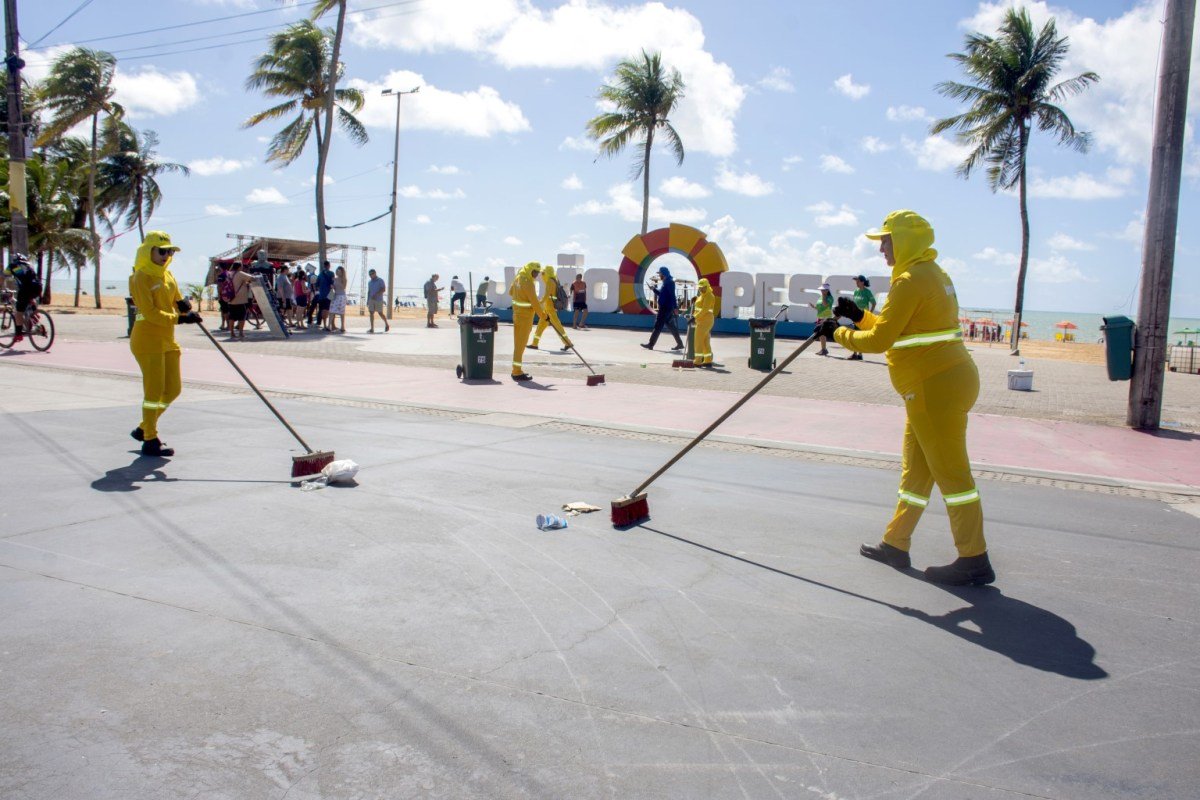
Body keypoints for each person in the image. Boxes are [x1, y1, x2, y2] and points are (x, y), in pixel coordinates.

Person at [823, 209, 993, 586]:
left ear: (904, 241)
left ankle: (974, 557)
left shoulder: (909, 280)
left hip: (934, 386)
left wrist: (838, 333)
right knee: (916, 471)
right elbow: (900, 328)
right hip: (942, 382)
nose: (881, 248)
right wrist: (859, 316)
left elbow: (881, 341)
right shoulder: (933, 274)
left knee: (953, 475)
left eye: (886, 240)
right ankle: (895, 543)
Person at [128, 231, 201, 457]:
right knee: (153, 392)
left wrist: (184, 306)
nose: (166, 256)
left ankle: (143, 427)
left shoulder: (168, 275)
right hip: (147, 340)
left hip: (167, 339)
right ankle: (150, 439)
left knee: (173, 389)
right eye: (162, 251)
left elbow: (178, 301)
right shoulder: (140, 278)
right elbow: (150, 313)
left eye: (170, 252)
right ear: (148, 251)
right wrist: (180, 319)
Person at [529, 264, 573, 352]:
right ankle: (534, 344)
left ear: (548, 272)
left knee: (558, 327)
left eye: (543, 272)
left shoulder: (550, 281)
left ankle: (568, 343)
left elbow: (546, 295)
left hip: (550, 309)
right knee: (540, 326)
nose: (542, 274)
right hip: (547, 309)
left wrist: (538, 302)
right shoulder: (554, 280)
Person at [508, 262, 540, 381]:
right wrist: (543, 316)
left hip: (517, 315)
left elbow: (510, 292)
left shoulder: (518, 278)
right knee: (520, 345)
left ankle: (516, 370)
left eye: (538, 272)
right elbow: (534, 302)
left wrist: (520, 296)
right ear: (530, 270)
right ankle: (516, 372)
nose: (536, 275)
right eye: (535, 272)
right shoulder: (528, 283)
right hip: (525, 317)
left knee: (518, 345)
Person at [640, 266, 684, 351]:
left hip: (665, 308)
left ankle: (651, 344)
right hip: (666, 308)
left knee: (658, 325)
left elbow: (672, 295)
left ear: (663, 273)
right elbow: (661, 294)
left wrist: (675, 308)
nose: (659, 275)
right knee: (671, 326)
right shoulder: (665, 282)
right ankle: (680, 344)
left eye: (659, 273)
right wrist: (653, 289)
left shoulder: (670, 282)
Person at [3, 254, 42, 343]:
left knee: (18, 312)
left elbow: (4, 275)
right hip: (38, 287)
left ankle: (18, 335)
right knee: (30, 298)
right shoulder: (29, 265)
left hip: (26, 288)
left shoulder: (13, 265)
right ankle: (35, 314)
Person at [847, 275, 877, 361]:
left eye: (858, 281)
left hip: (863, 317)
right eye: (856, 281)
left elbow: (874, 303)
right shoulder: (856, 291)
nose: (856, 283)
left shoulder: (867, 292)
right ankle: (857, 354)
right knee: (854, 335)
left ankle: (858, 354)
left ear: (862, 282)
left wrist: (870, 313)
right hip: (855, 316)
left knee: (859, 336)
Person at [691, 277, 716, 366]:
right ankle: (708, 360)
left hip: (705, 321)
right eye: (700, 287)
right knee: (705, 341)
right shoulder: (702, 295)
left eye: (703, 287)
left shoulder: (709, 296)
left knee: (698, 340)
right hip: (702, 320)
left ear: (707, 286)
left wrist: (694, 317)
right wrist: (696, 299)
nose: (701, 289)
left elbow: (704, 309)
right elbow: (700, 305)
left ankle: (698, 361)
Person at [226, 261, 254, 341]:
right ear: (239, 267)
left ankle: (232, 333)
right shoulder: (240, 273)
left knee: (232, 317)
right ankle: (241, 332)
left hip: (231, 299)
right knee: (242, 317)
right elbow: (252, 278)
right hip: (240, 299)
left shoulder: (229, 274)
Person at [809, 283, 834, 356]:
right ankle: (823, 349)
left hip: (826, 318)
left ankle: (824, 349)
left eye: (823, 290)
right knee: (821, 335)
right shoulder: (821, 297)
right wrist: (814, 306)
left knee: (822, 334)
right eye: (821, 290)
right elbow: (819, 307)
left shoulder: (830, 298)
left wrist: (824, 296)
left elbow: (825, 305)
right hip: (820, 317)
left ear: (827, 290)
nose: (821, 291)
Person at [367, 268, 389, 333]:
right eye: (370, 274)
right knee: (371, 313)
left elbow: (383, 289)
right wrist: (368, 300)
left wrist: (376, 294)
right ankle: (372, 328)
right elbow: (369, 291)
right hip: (371, 299)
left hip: (378, 299)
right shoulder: (369, 282)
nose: (371, 275)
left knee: (380, 313)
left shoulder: (380, 280)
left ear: (375, 273)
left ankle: (386, 324)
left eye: (372, 274)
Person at [328, 266, 348, 333]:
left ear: (342, 272)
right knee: (331, 311)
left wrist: (337, 281)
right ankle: (329, 326)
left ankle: (342, 327)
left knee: (341, 312)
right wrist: (332, 286)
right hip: (335, 296)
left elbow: (343, 287)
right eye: (337, 271)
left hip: (341, 296)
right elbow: (335, 287)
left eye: (340, 271)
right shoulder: (335, 278)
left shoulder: (344, 279)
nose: (338, 273)